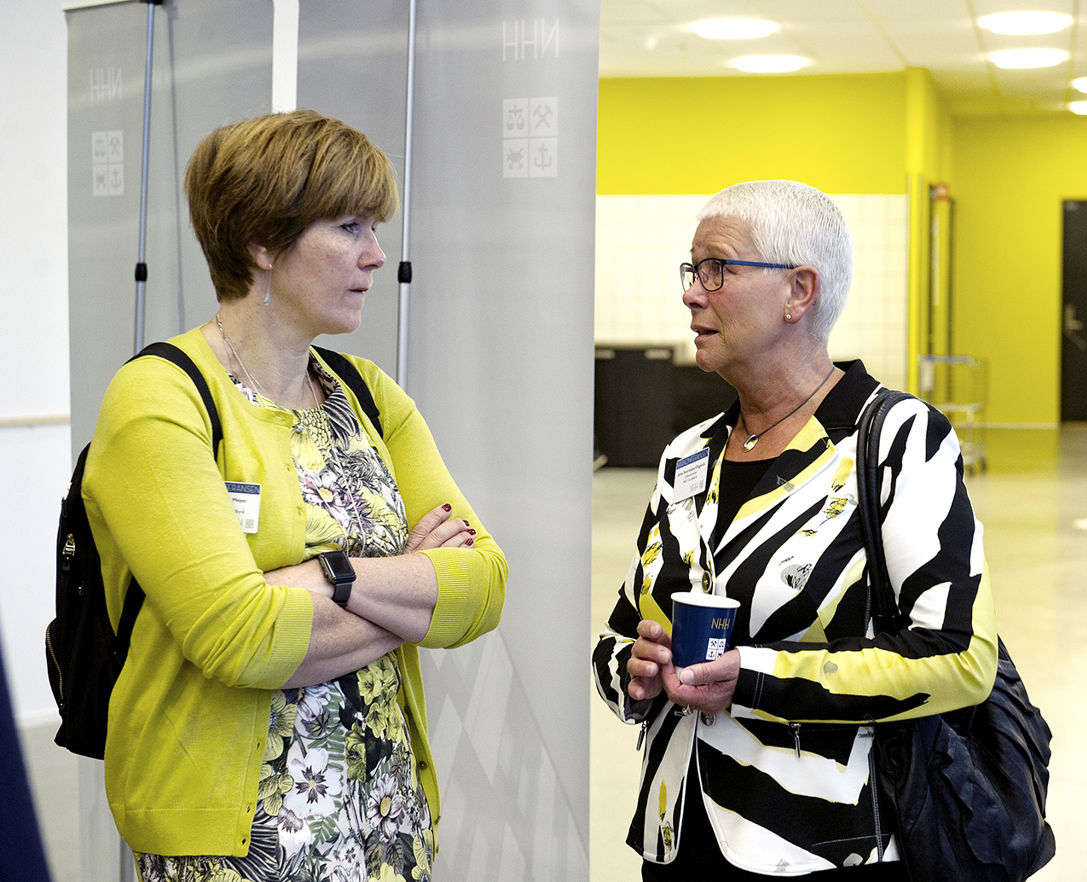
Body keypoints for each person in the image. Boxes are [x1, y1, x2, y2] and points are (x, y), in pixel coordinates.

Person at [83, 109, 507, 882]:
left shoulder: (366, 393)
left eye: (373, 227)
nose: (376, 254)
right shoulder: (160, 399)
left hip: (386, 821)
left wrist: (324, 580)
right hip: (235, 847)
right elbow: (237, 638)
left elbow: (481, 587)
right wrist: (408, 592)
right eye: (348, 227)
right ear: (262, 242)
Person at [591, 180, 997, 879]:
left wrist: (749, 678)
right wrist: (632, 670)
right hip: (677, 838)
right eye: (692, 270)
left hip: (822, 849)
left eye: (716, 269)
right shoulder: (687, 455)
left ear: (798, 291)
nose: (691, 294)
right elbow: (620, 632)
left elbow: (960, 657)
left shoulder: (894, 440)